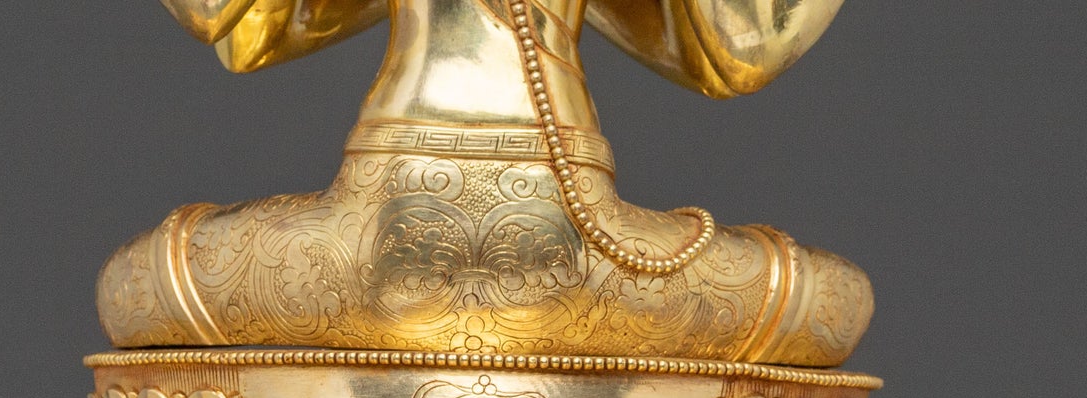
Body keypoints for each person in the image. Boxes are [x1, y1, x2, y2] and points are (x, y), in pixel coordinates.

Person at [100, 0, 873, 364]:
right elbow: (749, 40)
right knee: (826, 300)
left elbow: (224, 19)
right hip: (578, 245)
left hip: (378, 235)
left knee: (143, 282)